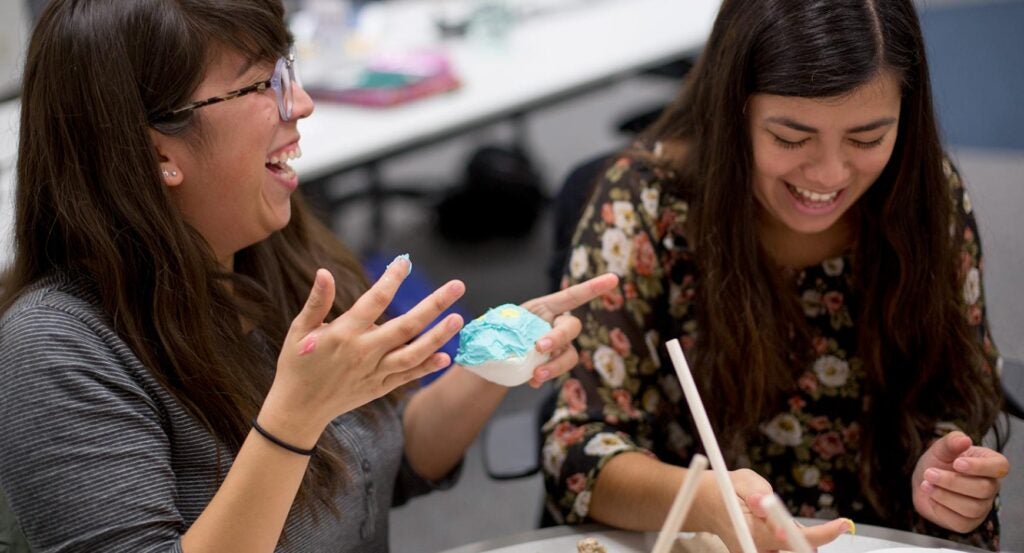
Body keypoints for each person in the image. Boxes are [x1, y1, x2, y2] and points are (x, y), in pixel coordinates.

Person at [0, 1, 618, 552]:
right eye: (260, 85)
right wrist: (292, 420)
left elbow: (387, 464)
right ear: (157, 151)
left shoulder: (272, 252)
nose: (301, 104)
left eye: (286, 71)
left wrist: (493, 361)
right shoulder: (53, 350)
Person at [541, 0, 1011, 551]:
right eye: (791, 138)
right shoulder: (644, 204)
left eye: (867, 138)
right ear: (732, 108)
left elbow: (952, 394)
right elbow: (574, 451)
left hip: (874, 535)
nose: (831, 174)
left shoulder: (924, 195)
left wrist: (946, 475)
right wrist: (702, 501)